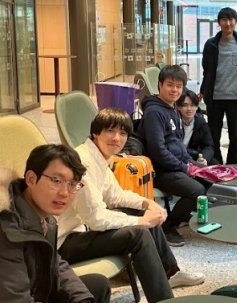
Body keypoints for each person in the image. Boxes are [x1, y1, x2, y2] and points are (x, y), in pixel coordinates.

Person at [57, 108, 205, 303]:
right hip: (64, 242)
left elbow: (115, 195)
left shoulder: (99, 157)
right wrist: (141, 220)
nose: (117, 138)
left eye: (123, 133)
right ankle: (163, 299)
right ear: (95, 133)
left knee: (141, 214)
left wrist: (147, 203)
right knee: (139, 232)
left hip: (81, 231)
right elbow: (97, 219)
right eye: (110, 131)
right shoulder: (82, 162)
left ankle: (171, 272)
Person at [0, 144, 111, 302]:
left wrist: (82, 298)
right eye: (56, 180)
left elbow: (55, 264)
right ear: (31, 179)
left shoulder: (44, 217)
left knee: (96, 286)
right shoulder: (6, 228)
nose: (64, 193)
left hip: (35, 291)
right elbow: (15, 299)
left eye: (73, 184)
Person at [136, 65, 210, 246]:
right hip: (160, 170)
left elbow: (177, 146)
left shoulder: (171, 109)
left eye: (179, 86)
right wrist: (185, 167)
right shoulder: (154, 112)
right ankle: (167, 227)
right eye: (170, 85)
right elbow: (158, 150)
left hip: (174, 164)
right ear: (160, 85)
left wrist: (191, 164)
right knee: (197, 191)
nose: (174, 90)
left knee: (207, 176)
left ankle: (182, 214)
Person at [199, 7, 237, 165]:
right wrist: (203, 90)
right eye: (224, 19)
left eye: (231, 19)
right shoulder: (211, 44)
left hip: (236, 98)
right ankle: (215, 164)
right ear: (219, 23)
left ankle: (234, 166)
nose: (228, 23)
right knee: (213, 136)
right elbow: (207, 70)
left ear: (236, 22)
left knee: (236, 137)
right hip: (215, 98)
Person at [176, 88, 218, 165]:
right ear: (178, 107)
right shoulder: (174, 121)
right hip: (177, 156)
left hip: (193, 156)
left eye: (192, 105)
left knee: (214, 163)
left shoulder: (200, 122)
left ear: (197, 107)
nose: (189, 109)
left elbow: (209, 145)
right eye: (185, 105)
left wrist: (204, 159)